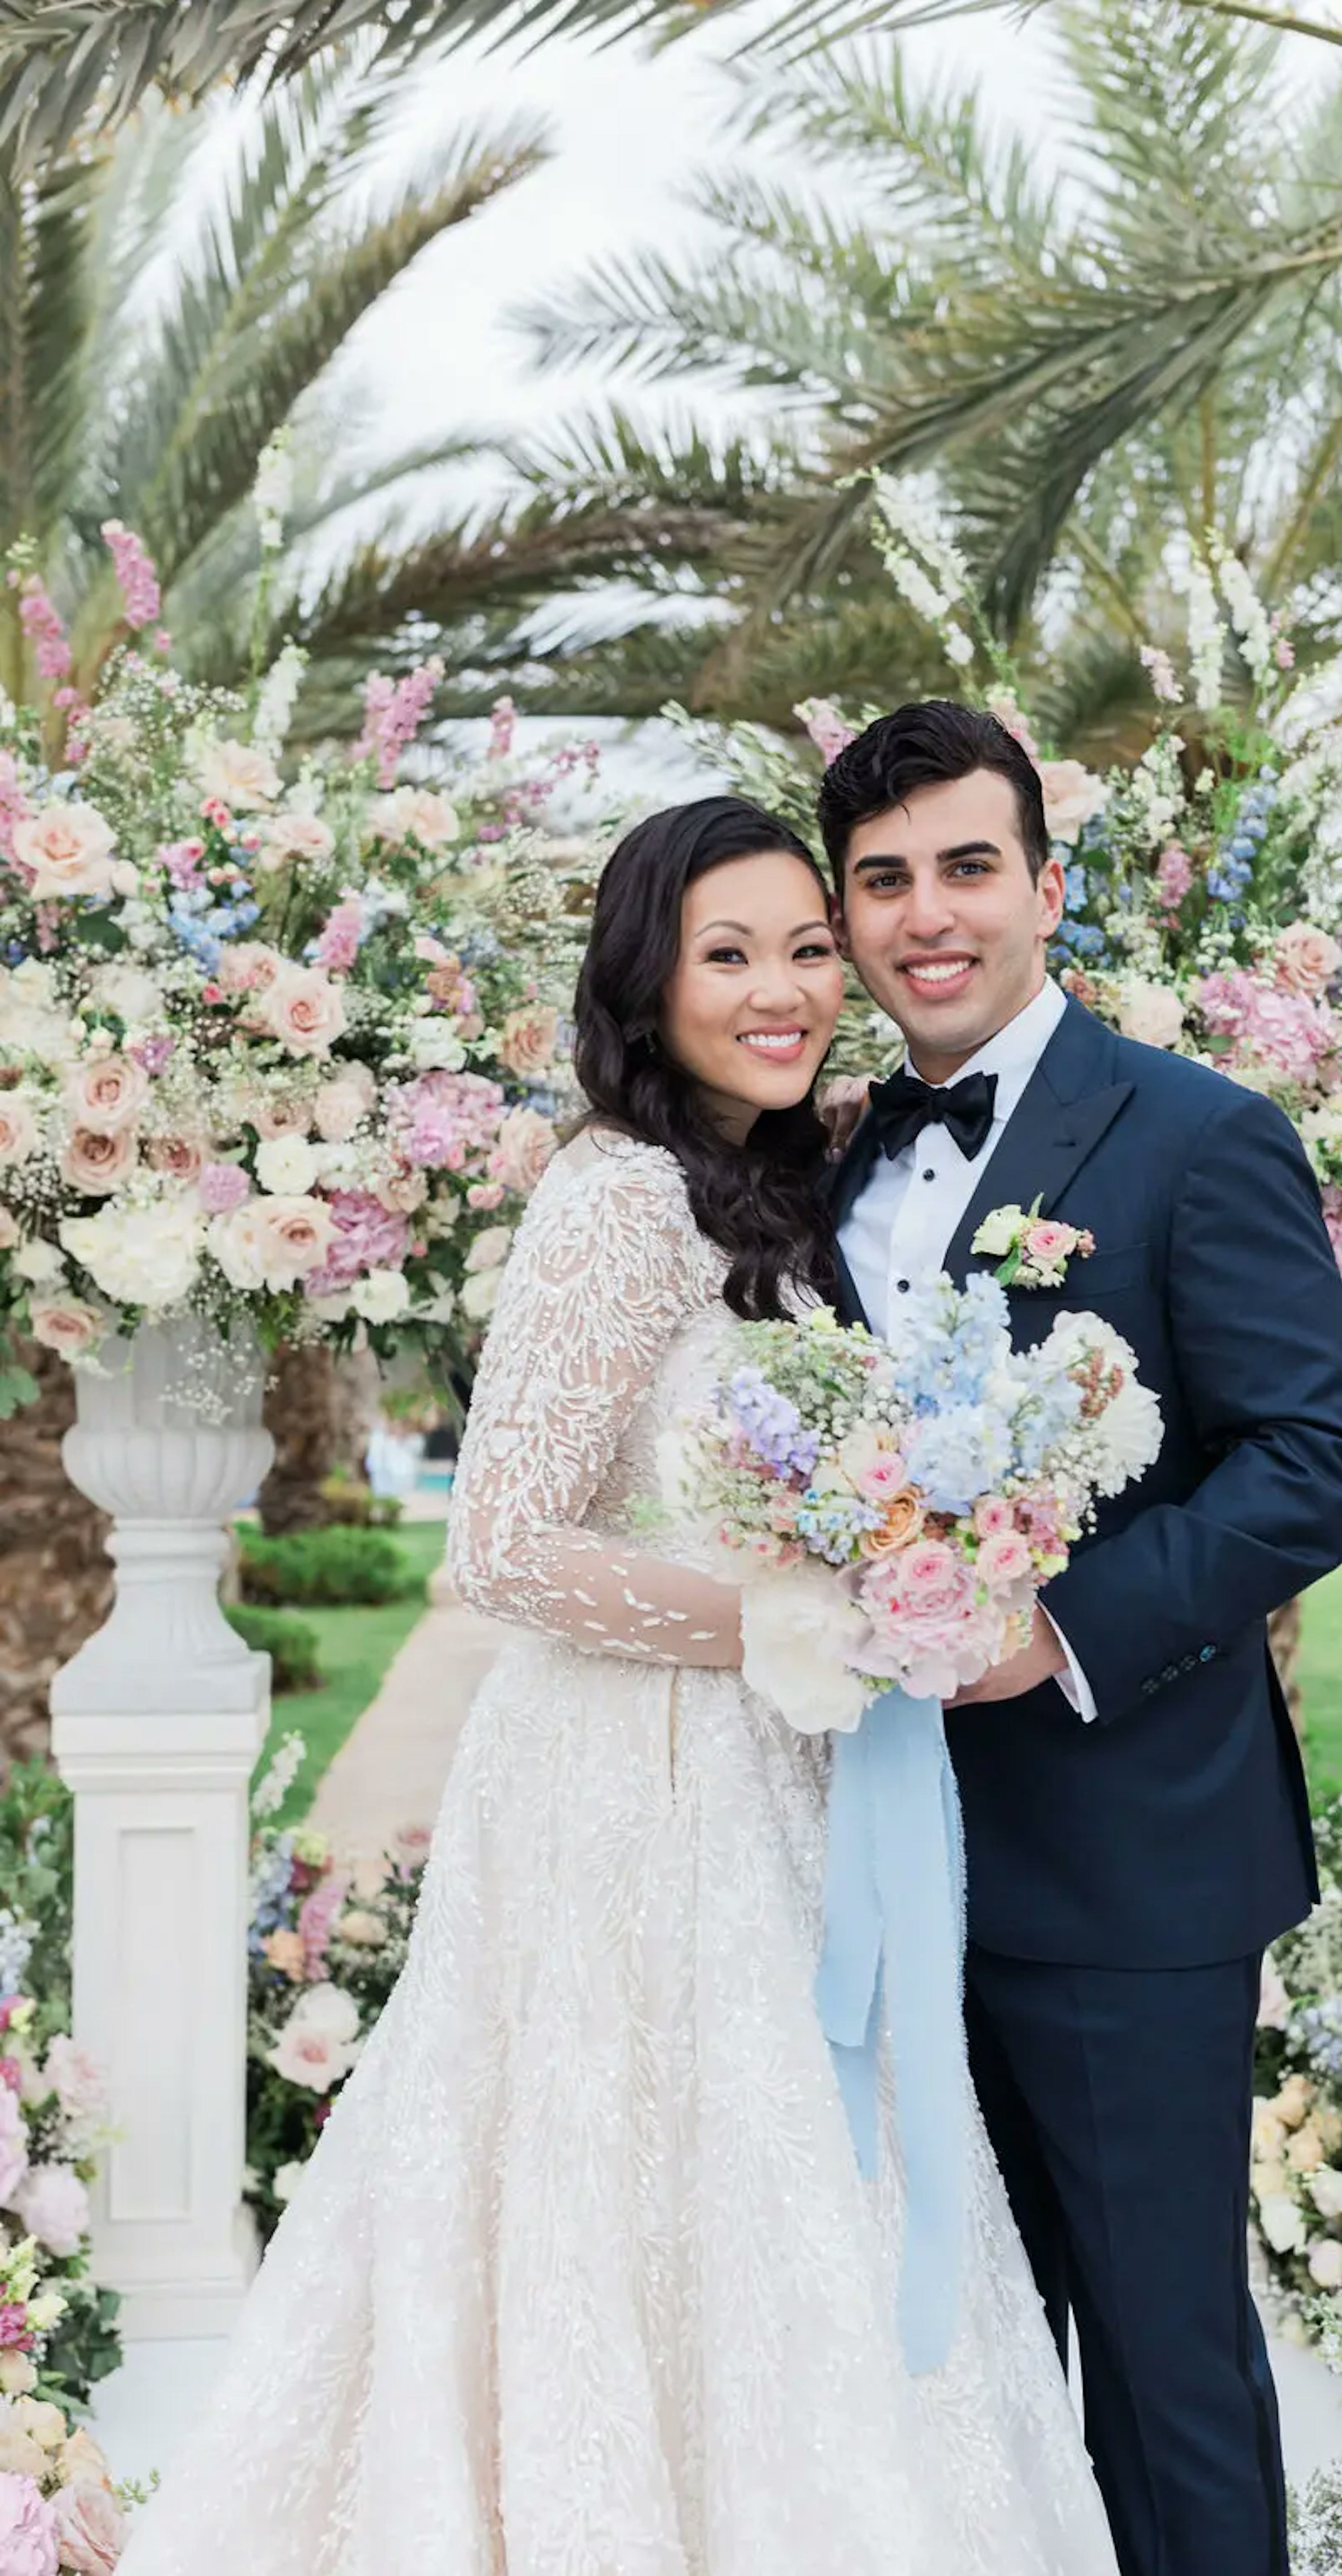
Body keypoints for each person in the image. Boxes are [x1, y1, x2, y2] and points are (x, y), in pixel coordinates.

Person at [120, 796, 1120, 2576]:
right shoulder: (616, 1193)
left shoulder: (795, 1181)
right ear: (646, 983)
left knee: (788, 2192)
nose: (783, 987)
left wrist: (894, 1573)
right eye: (725, 954)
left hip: (788, 1779)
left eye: (808, 946)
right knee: (632, 2192)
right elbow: (502, 1543)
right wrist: (797, 1619)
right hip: (627, 1781)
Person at [822, 704, 1342, 2576]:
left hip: (1128, 1865)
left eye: (968, 865)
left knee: (1159, 2371)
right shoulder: (812, 1166)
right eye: (886, 877)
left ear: (1046, 886)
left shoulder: (1201, 1133)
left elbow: (1315, 1459)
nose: (930, 913)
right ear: (845, 914)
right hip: (857, 1871)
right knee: (922, 2368)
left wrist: (1045, 1630)